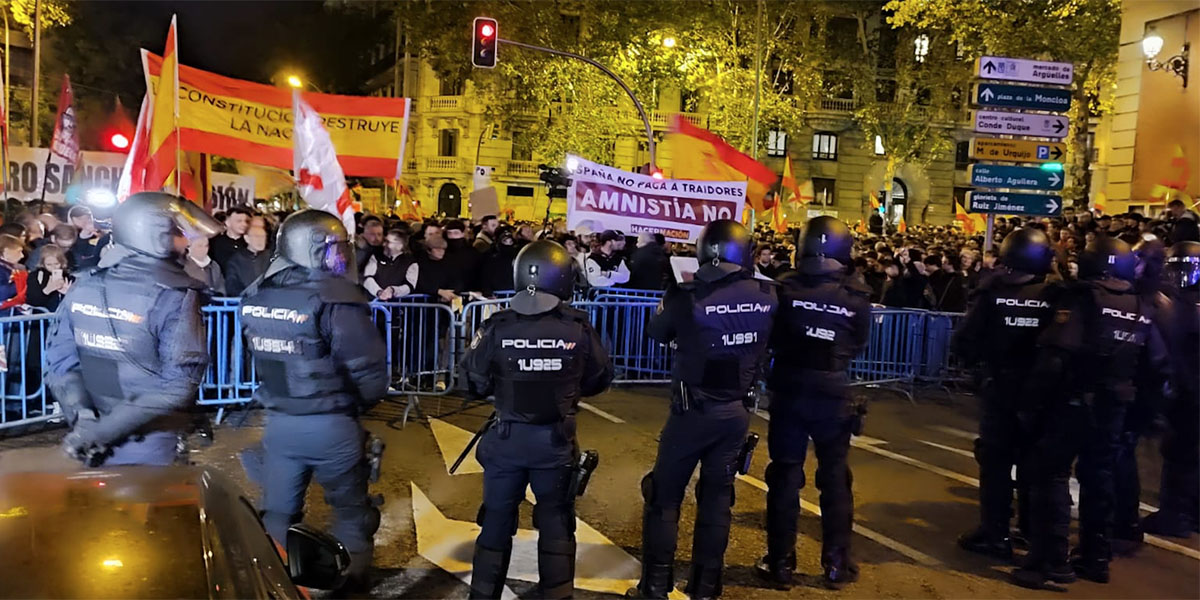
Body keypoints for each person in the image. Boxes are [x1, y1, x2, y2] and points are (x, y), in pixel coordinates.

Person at [240, 209, 389, 593]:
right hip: (331, 425)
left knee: (278, 514)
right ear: (314, 249)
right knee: (353, 515)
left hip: (279, 423)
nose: (341, 259)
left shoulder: (257, 294)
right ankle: (352, 589)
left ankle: (276, 589)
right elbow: (369, 375)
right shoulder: (337, 300)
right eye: (334, 250)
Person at [628, 220, 777, 599]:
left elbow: (656, 332)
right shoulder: (769, 295)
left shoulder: (687, 294)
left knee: (663, 498)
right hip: (735, 413)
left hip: (692, 413)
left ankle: (655, 587)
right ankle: (706, 587)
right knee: (717, 500)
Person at [1013, 237, 1169, 589]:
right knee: (1099, 477)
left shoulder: (1082, 300)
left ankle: (1050, 562)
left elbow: (1056, 357)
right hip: (1115, 405)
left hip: (1074, 402)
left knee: (1050, 473)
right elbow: (1157, 365)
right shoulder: (1141, 306)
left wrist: (1032, 403)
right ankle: (1095, 558)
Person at [462, 240, 614, 599]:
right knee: (557, 523)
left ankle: (483, 595)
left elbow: (471, 382)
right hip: (555, 444)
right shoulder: (577, 328)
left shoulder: (497, 326)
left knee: (496, 522)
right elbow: (600, 378)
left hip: (508, 441)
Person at [45, 192, 221, 466]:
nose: (186, 241)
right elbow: (177, 385)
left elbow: (59, 365)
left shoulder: (84, 285)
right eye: (178, 233)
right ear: (155, 236)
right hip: (150, 443)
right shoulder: (175, 296)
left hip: (92, 439)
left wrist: (84, 421)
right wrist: (99, 431)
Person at [757, 216, 871, 590]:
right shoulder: (856, 298)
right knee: (835, 478)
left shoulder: (784, 289)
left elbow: (770, 334)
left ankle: (780, 564)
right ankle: (837, 565)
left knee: (785, 476)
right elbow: (857, 343)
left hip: (790, 390)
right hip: (832, 393)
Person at [952, 228, 1060, 560]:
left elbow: (965, 341)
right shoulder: (1058, 294)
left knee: (996, 465)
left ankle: (996, 533)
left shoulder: (992, 293)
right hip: (1043, 393)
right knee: (1036, 464)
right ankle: (1030, 528)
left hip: (1000, 389)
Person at [1140, 240, 1200, 537]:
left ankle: (1176, 516)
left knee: (1181, 454)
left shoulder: (1172, 306)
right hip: (1184, 390)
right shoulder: (1172, 304)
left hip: (1185, 392)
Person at [363, 229, 416, 300]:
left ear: (399, 246)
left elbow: (410, 286)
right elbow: (367, 278)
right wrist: (379, 292)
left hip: (398, 307)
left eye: (388, 242)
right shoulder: (376, 256)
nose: (384, 244)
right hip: (373, 304)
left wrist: (392, 290)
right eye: (384, 241)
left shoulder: (411, 262)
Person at [225, 225, 271, 296]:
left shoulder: (271, 257)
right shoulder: (236, 260)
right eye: (256, 236)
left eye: (263, 236)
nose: (260, 240)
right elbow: (232, 285)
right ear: (246, 238)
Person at [27, 245, 74, 312]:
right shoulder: (35, 276)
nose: (53, 267)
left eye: (56, 264)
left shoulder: (68, 277)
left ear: (62, 263)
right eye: (49, 264)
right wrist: (47, 290)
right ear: (43, 264)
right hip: (43, 318)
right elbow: (32, 302)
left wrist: (68, 293)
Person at [477, 226, 518, 296]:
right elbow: (486, 276)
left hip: (512, 295)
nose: (508, 244)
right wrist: (488, 293)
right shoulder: (490, 258)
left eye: (510, 242)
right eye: (505, 241)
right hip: (497, 296)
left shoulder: (517, 257)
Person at [209, 205, 252, 271]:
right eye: (239, 221)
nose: (244, 224)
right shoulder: (214, 242)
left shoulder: (250, 243)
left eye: (246, 221)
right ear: (228, 222)